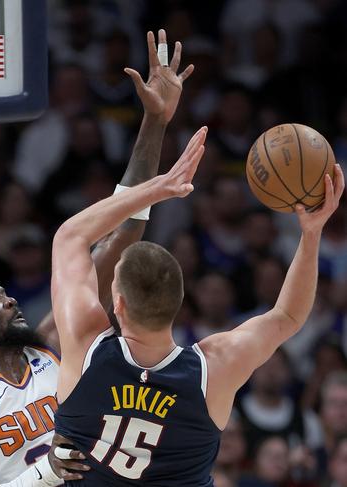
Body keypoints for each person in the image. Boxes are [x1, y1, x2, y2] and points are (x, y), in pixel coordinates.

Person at [0, 29, 194, 487]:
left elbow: (121, 236)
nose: (10, 300)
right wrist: (46, 473)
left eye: (4, 292)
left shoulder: (50, 345)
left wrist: (155, 122)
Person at [49, 121, 344, 485]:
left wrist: (161, 187)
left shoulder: (85, 344)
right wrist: (312, 233)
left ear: (118, 304)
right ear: (181, 300)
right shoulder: (214, 369)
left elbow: (69, 237)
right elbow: (288, 315)